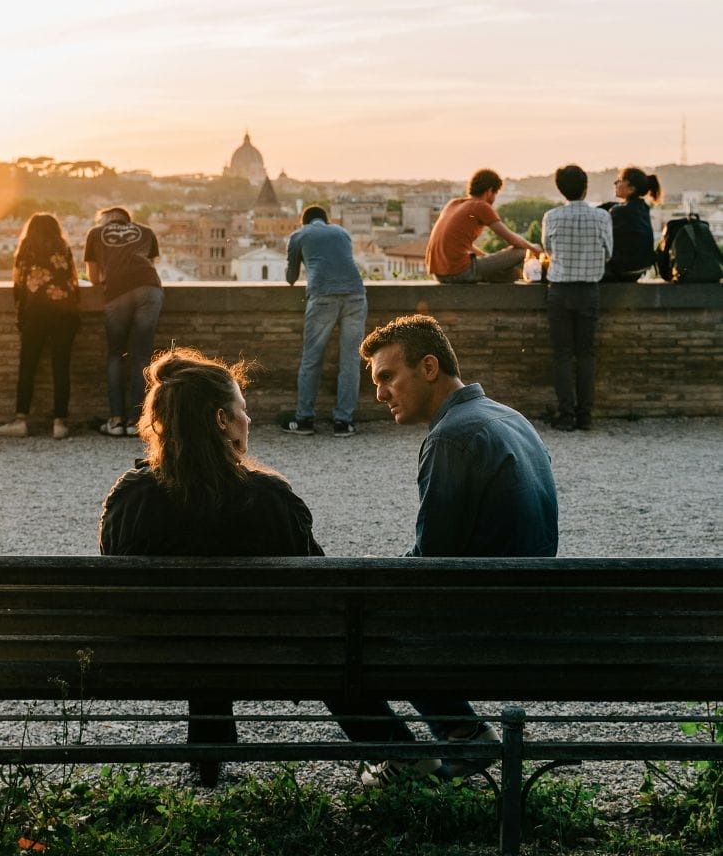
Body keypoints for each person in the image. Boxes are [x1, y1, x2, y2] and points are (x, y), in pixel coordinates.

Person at [98, 347, 428, 786]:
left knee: (202, 627)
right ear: (220, 420)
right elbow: (323, 591)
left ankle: (207, 751)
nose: (248, 420)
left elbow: (115, 583)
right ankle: (398, 751)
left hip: (155, 653)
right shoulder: (270, 499)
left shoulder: (130, 498)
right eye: (242, 410)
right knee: (330, 640)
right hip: (272, 656)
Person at [358, 313, 558, 784]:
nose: (380, 393)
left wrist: (372, 581)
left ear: (429, 367)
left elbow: (431, 564)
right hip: (530, 604)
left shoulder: (451, 437)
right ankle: (460, 730)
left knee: (359, 627)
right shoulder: (509, 417)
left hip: (486, 623)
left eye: (388, 377)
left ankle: (419, 753)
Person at [282, 204, 367, 436]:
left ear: (304, 221)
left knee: (311, 359)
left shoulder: (300, 235)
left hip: (323, 296)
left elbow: (291, 278)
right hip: (356, 295)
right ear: (326, 220)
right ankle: (343, 422)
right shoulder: (342, 232)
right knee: (350, 361)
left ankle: (304, 420)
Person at [541, 165, 613, 432]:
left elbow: (547, 249)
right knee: (586, 354)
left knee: (561, 354)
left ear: (561, 189)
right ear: (586, 187)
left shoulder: (552, 216)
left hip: (559, 291)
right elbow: (608, 253)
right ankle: (585, 416)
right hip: (589, 291)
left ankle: (566, 415)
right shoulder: (602, 217)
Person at [0, 213, 80, 440]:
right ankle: (59, 423)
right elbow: (73, 280)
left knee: (28, 367)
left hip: (35, 313)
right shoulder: (63, 248)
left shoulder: (26, 248)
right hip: (64, 313)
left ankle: (21, 420)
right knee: (61, 368)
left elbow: (19, 284)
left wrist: (20, 314)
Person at [85, 206, 163, 437]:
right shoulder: (146, 231)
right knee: (141, 356)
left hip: (117, 293)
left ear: (105, 219)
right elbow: (151, 264)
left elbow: (92, 277)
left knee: (116, 355)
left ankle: (116, 420)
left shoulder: (96, 233)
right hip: (150, 290)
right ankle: (136, 422)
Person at [425, 168, 542, 283]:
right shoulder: (481, 206)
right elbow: (513, 240)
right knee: (522, 251)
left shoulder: (453, 204)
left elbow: (463, 244)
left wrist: (488, 259)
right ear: (490, 191)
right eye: (495, 194)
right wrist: (533, 248)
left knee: (510, 274)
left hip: (439, 274)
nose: (494, 199)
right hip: (460, 272)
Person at [602, 167, 663, 282]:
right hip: (640, 269)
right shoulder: (643, 208)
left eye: (619, 180)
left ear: (631, 189)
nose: (615, 183)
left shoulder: (619, 211)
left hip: (622, 270)